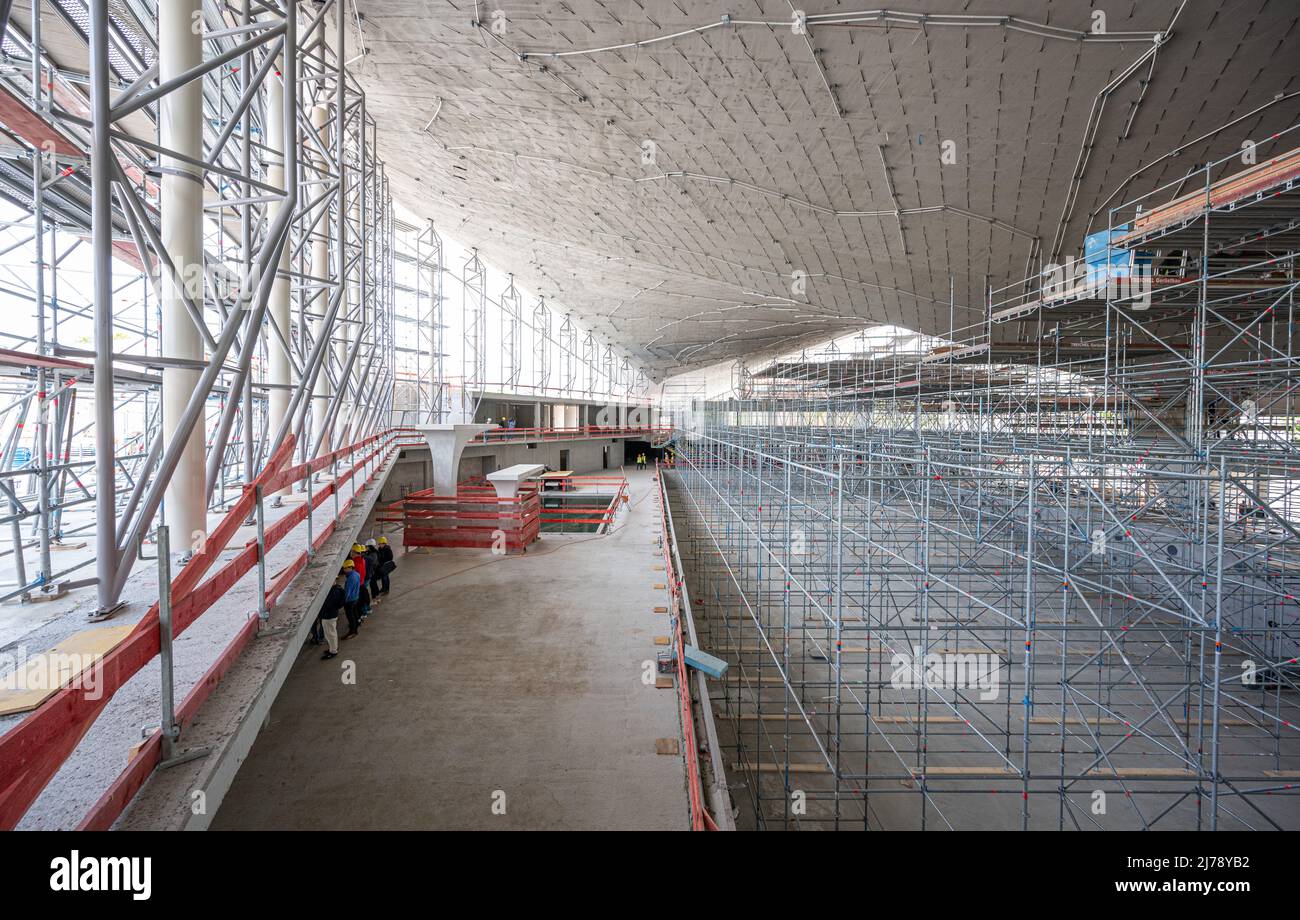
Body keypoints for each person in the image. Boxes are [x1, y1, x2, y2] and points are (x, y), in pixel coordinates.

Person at [319, 571, 347, 659]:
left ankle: (333, 651)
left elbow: (328, 605)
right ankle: (332, 648)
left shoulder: (334, 592)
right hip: (329, 615)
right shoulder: (336, 589)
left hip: (329, 616)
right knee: (330, 633)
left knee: (330, 633)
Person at [341, 558, 361, 639]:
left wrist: (343, 602)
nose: (344, 570)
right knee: (355, 613)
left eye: (345, 568)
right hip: (356, 597)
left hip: (350, 600)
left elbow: (347, 592)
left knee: (350, 616)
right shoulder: (356, 574)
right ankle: (357, 624)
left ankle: (353, 631)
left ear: (350, 568)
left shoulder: (350, 578)